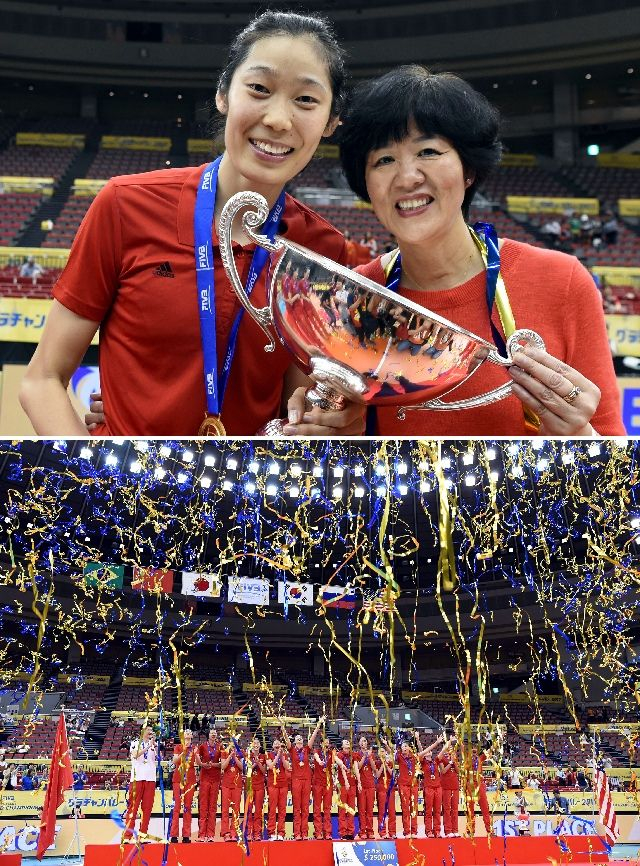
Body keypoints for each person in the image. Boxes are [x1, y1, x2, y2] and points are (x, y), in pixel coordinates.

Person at [19, 11, 364, 438]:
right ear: (223, 94)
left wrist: (325, 423)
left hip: (243, 480)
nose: (278, 119)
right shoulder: (126, 206)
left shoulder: (323, 249)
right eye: (259, 88)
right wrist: (97, 471)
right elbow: (42, 379)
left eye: (306, 100)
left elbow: (293, 402)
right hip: (122, 477)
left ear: (331, 122)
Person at [338, 66, 625, 436]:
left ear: (468, 169)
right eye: (384, 160)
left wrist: (580, 436)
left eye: (428, 151)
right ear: (366, 183)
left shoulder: (561, 281)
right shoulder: (350, 298)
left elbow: (614, 458)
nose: (407, 177)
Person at [282, 717, 324, 840]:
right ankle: (297, 833)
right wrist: (282, 727)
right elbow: (286, 739)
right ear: (295, 741)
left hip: (306, 781)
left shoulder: (306, 749)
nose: (300, 739)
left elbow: (313, 737)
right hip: (296, 781)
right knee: (297, 808)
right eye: (297, 739)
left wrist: (318, 724)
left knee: (305, 808)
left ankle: (304, 832)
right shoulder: (292, 750)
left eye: (301, 738)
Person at [123, 726, 157, 841]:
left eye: (151, 731)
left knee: (147, 809)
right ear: (143, 732)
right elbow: (135, 755)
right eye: (148, 730)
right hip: (137, 778)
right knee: (133, 808)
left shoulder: (154, 745)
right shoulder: (135, 743)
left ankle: (143, 835)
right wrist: (148, 746)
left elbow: (158, 758)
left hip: (150, 779)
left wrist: (154, 746)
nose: (150, 732)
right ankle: (127, 836)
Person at [170, 729, 198, 843]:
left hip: (190, 780)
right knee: (177, 807)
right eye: (186, 733)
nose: (188, 734)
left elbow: (198, 763)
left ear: (192, 736)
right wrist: (184, 751)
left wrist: (196, 754)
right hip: (178, 779)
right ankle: (174, 834)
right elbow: (175, 761)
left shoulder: (195, 748)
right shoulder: (178, 747)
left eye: (190, 733)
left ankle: (186, 834)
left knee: (187, 807)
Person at [416, 731, 445, 837]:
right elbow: (421, 752)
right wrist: (418, 739)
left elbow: (442, 752)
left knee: (437, 811)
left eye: (430, 751)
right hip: (428, 788)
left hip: (438, 788)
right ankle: (428, 831)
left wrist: (448, 742)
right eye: (426, 750)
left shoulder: (435, 761)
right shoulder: (423, 762)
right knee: (428, 811)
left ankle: (437, 830)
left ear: (432, 753)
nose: (428, 751)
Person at [197, 728, 221, 842]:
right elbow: (197, 761)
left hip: (215, 779)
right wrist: (203, 764)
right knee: (203, 807)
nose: (213, 735)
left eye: (215, 733)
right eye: (212, 733)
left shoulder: (220, 747)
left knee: (212, 807)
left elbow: (223, 763)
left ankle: (211, 834)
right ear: (208, 735)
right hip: (204, 779)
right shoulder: (202, 746)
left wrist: (214, 765)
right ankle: (202, 834)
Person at [220, 735, 245, 842]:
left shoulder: (241, 752)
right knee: (225, 810)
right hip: (226, 785)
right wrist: (230, 756)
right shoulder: (224, 752)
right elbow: (223, 766)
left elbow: (242, 767)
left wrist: (235, 757)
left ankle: (234, 833)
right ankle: (226, 833)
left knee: (236, 811)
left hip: (237, 785)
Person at [266, 736, 290, 840]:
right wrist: (277, 756)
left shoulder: (285, 755)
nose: (277, 747)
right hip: (273, 785)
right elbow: (271, 766)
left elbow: (287, 767)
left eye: (279, 745)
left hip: (283, 785)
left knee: (282, 810)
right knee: (272, 809)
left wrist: (282, 756)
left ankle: (281, 833)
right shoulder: (268, 755)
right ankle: (271, 832)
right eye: (275, 745)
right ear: (272, 746)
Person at [244, 737, 267, 841]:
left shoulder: (263, 756)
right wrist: (254, 763)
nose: (256, 745)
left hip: (260, 786)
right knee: (249, 811)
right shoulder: (248, 756)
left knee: (258, 811)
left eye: (258, 743)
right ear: (252, 745)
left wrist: (259, 763)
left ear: (260, 745)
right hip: (250, 786)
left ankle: (257, 833)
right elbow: (247, 771)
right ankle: (249, 833)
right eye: (254, 743)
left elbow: (264, 771)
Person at [354, 735, 376, 840]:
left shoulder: (371, 754)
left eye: (365, 741)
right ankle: (362, 831)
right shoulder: (356, 754)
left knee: (370, 810)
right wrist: (364, 756)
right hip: (361, 785)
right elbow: (358, 767)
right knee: (362, 810)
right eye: (362, 741)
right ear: (359, 744)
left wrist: (369, 757)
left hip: (370, 784)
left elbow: (374, 769)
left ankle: (370, 831)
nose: (364, 742)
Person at [395, 738, 419, 838]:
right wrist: (387, 744)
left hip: (413, 786)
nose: (404, 748)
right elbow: (390, 752)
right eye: (402, 746)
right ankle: (407, 831)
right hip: (403, 786)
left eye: (405, 746)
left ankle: (414, 831)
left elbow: (424, 752)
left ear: (409, 748)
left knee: (414, 809)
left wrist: (418, 739)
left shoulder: (414, 757)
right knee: (405, 809)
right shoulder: (399, 757)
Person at [312, 735, 334, 840]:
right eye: (325, 742)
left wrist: (341, 765)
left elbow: (336, 760)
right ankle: (318, 832)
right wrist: (319, 761)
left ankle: (327, 832)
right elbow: (316, 756)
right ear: (321, 744)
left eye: (328, 743)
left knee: (327, 809)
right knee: (317, 808)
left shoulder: (331, 753)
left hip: (328, 784)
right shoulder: (317, 751)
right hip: (317, 784)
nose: (326, 744)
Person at [334, 738, 357, 840]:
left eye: (348, 742)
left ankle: (350, 832)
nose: (348, 743)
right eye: (345, 743)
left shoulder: (353, 755)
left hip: (352, 785)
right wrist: (346, 781)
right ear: (342, 746)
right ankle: (343, 832)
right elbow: (342, 768)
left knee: (351, 810)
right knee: (343, 810)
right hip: (342, 785)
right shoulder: (340, 755)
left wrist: (359, 781)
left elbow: (356, 769)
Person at [438, 737, 460, 837]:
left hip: (455, 786)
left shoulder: (454, 758)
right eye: (448, 747)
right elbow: (443, 771)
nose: (450, 749)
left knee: (455, 809)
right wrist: (450, 763)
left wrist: (454, 762)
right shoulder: (441, 758)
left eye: (451, 748)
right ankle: (448, 830)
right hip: (445, 786)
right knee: (447, 809)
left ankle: (455, 830)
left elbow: (458, 771)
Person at [374, 743, 396, 839]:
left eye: (383, 751)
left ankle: (392, 832)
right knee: (382, 812)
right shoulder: (376, 763)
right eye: (380, 752)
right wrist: (382, 765)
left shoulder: (390, 762)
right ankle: (382, 832)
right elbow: (377, 775)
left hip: (390, 789)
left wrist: (387, 766)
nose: (382, 753)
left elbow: (393, 774)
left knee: (392, 812)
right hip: (381, 789)